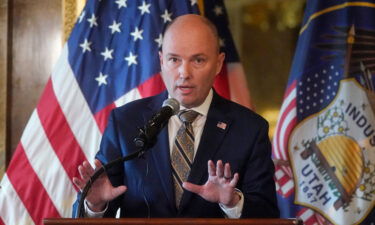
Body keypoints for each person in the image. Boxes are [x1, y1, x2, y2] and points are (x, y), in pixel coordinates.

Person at [72, 14, 279, 218]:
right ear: (162, 60)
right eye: (174, 59)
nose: (184, 73)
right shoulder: (125, 121)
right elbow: (94, 203)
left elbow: (268, 214)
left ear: (218, 63)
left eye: (198, 60)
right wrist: (95, 205)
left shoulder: (250, 129)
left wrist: (233, 203)